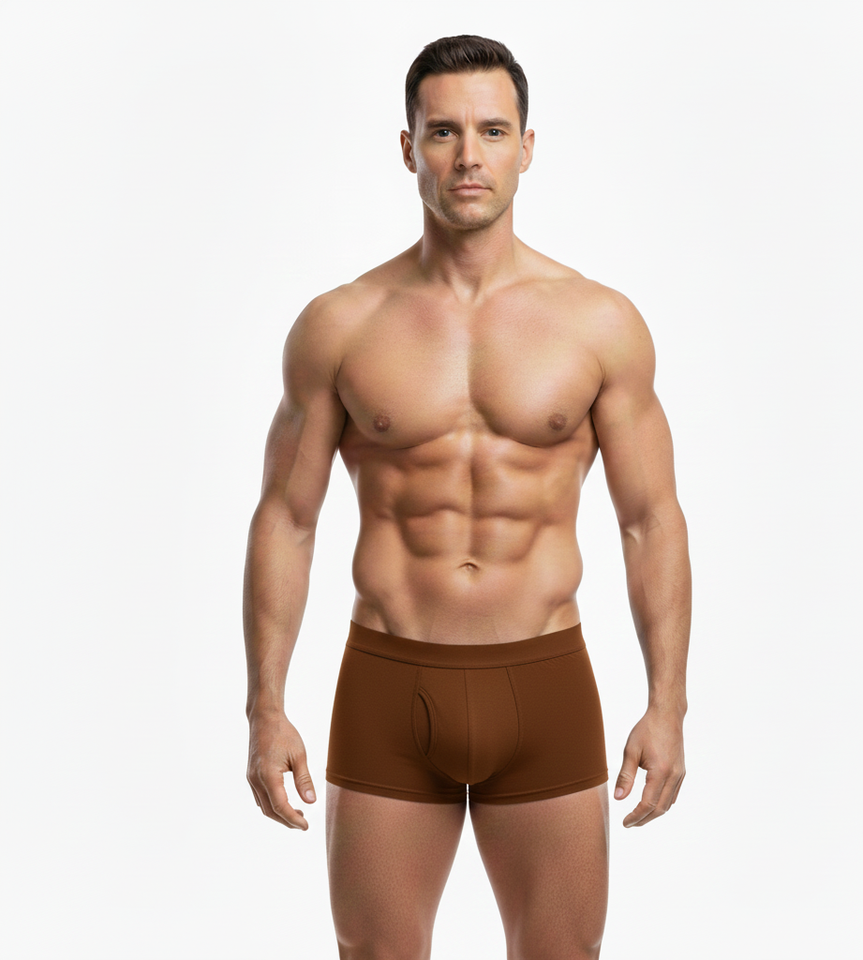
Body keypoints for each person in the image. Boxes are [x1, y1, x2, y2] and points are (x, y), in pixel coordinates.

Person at [243, 34, 691, 960]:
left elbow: (649, 522)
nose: (468, 156)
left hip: (545, 683)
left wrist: (667, 705)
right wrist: (265, 707)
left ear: (527, 146)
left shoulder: (599, 323)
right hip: (388, 684)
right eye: (443, 131)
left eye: (491, 130)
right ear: (408, 148)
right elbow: (286, 519)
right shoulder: (339, 325)